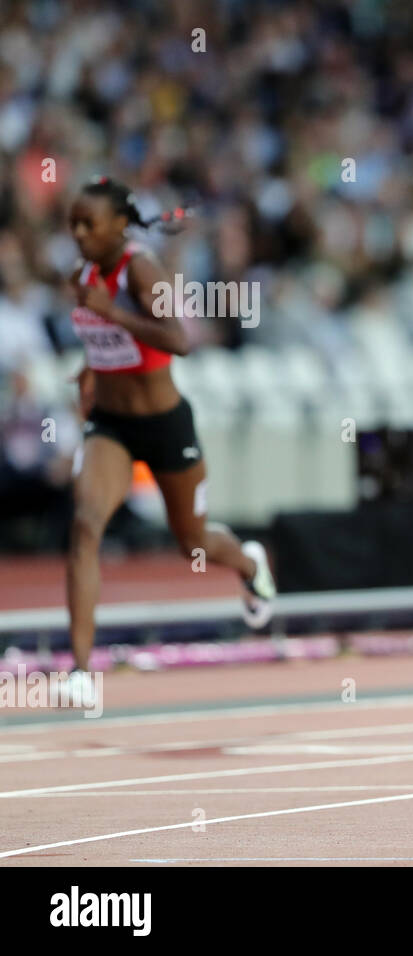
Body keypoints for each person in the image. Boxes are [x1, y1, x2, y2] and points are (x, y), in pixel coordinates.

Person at [63, 177, 276, 708]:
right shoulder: (81, 274)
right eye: (73, 224)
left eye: (89, 224)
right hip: (110, 423)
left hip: (165, 425)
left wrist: (111, 313)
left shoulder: (141, 269)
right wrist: (89, 369)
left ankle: (250, 564)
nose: (79, 233)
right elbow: (103, 340)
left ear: (119, 225)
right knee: (86, 524)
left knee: (193, 543)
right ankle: (82, 671)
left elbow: (178, 340)